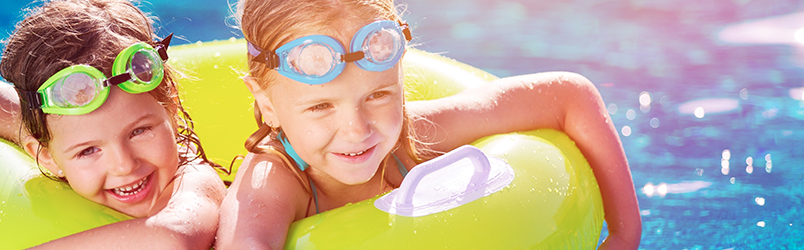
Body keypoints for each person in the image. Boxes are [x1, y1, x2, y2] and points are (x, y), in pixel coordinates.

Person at [215, 0, 642, 249]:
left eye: (378, 95)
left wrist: (623, 237)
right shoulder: (274, 180)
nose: (357, 129)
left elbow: (570, 95)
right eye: (321, 107)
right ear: (267, 105)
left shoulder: (411, 136)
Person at [0, 0, 226, 249]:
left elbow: (175, 238)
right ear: (45, 156)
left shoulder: (191, 179)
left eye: (140, 131)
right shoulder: (58, 125)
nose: (123, 164)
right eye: (89, 151)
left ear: (171, 109)